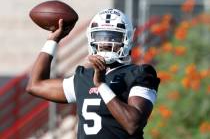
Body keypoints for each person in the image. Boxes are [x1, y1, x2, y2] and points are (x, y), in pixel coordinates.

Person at [26, 8, 160, 139]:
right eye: (100, 37)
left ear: (127, 39)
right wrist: (53, 40)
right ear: (91, 38)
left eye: (113, 37)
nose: (106, 43)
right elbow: (35, 85)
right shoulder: (84, 77)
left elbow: (133, 125)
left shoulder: (139, 74)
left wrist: (101, 86)